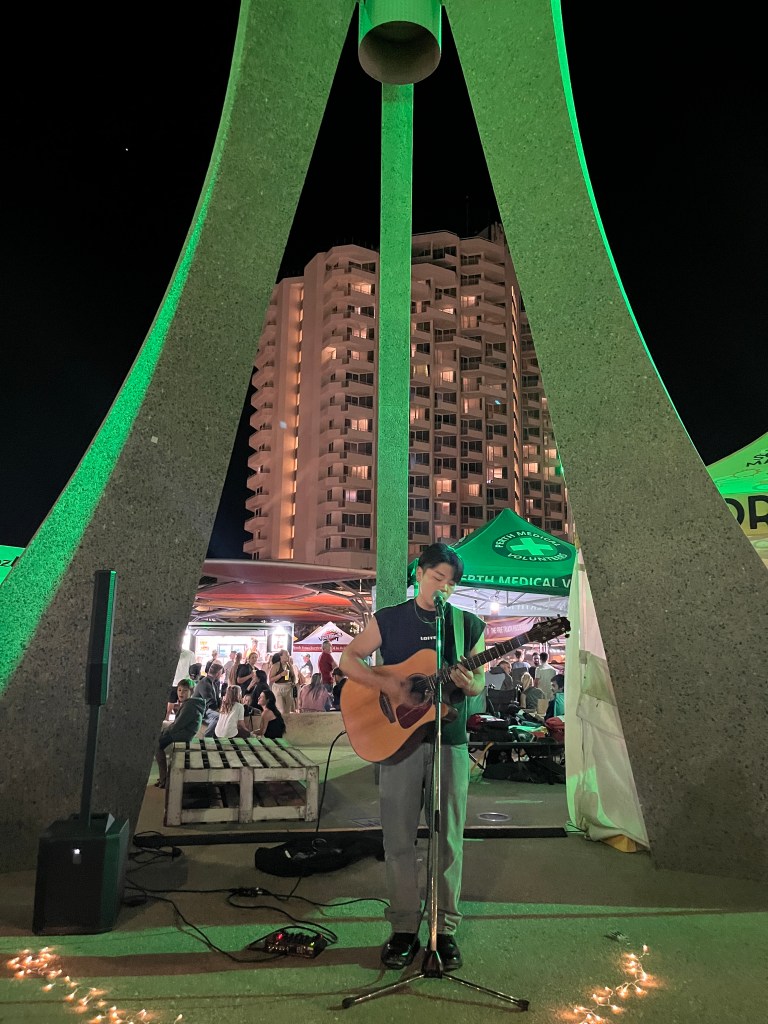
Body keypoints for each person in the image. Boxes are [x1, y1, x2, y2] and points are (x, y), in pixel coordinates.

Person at [339, 541, 485, 973]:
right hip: (396, 743)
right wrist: (386, 684)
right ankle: (404, 928)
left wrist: (471, 684)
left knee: (448, 840)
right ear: (419, 573)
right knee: (399, 840)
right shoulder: (389, 619)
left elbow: (479, 682)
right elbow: (349, 659)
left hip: (449, 741)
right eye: (438, 578)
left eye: (451, 583)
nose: (444, 588)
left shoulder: (466, 624)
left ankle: (445, 930)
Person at [154, 681, 205, 788]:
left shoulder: (189, 706)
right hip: (185, 732)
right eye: (179, 690)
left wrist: (164, 732)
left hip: (184, 734)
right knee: (160, 741)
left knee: (157, 746)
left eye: (185, 691)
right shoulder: (190, 703)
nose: (181, 693)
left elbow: (177, 725)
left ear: (191, 692)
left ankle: (164, 779)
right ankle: (164, 777)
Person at [192, 663, 224, 737]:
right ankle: (207, 738)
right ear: (218, 673)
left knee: (224, 716)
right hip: (199, 710)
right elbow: (211, 704)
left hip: (205, 709)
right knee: (218, 717)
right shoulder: (205, 683)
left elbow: (216, 700)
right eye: (221, 673)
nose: (221, 675)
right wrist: (220, 711)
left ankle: (216, 737)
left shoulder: (213, 682)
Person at [269, 649, 297, 715]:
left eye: (288, 655)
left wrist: (293, 682)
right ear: (280, 656)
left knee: (288, 710)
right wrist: (281, 675)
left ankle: (287, 720)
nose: (288, 656)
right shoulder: (276, 665)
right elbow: (271, 679)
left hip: (288, 687)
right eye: (286, 654)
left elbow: (293, 675)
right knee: (281, 709)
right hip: (278, 688)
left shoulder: (289, 665)